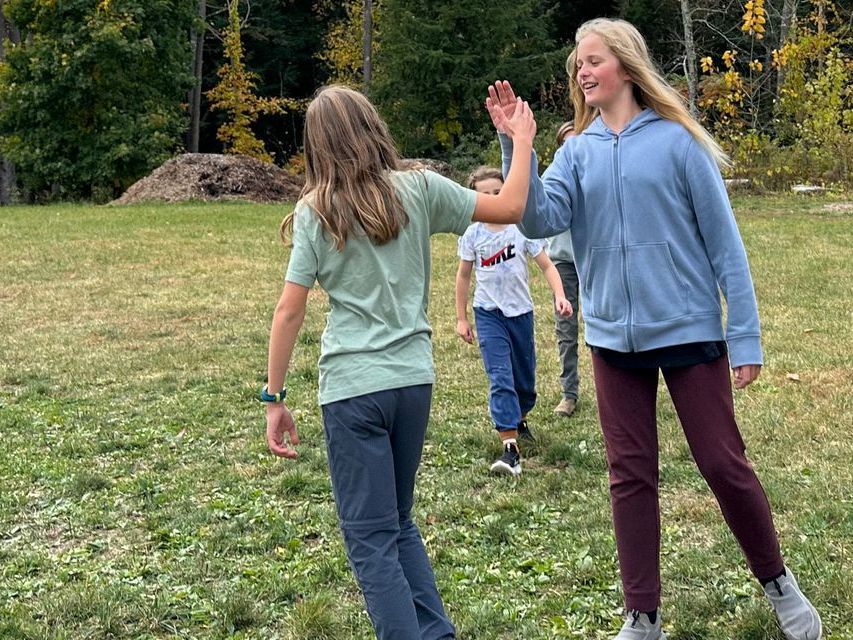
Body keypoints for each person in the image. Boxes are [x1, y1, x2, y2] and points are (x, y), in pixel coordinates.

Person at [486, 18, 822, 640]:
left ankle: (780, 586)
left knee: (723, 465)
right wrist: (516, 146)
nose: (583, 72)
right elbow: (536, 219)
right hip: (613, 340)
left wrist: (743, 335)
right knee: (629, 474)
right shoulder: (578, 153)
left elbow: (726, 246)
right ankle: (642, 617)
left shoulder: (677, 142)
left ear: (626, 66)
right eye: (577, 65)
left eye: (593, 61)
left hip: (689, 332)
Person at [262, 84, 536, 640]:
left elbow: (290, 310)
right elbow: (510, 207)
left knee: (369, 539)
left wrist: (274, 397)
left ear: (317, 145)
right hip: (413, 383)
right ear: (373, 127)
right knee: (397, 524)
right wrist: (521, 142)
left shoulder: (316, 210)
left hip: (351, 389)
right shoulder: (422, 189)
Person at [455, 166, 573, 476]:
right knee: (500, 376)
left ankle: (519, 417)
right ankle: (509, 446)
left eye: (498, 192)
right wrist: (461, 318)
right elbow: (464, 276)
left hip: (520, 313)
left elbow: (547, 266)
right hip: (489, 314)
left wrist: (560, 294)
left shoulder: (521, 228)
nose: (493, 198)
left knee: (524, 380)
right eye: (485, 195)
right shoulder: (473, 234)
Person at [549, 122, 582, 418]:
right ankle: (569, 393)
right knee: (566, 329)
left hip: (594, 258)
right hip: (563, 261)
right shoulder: (556, 179)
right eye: (566, 144)